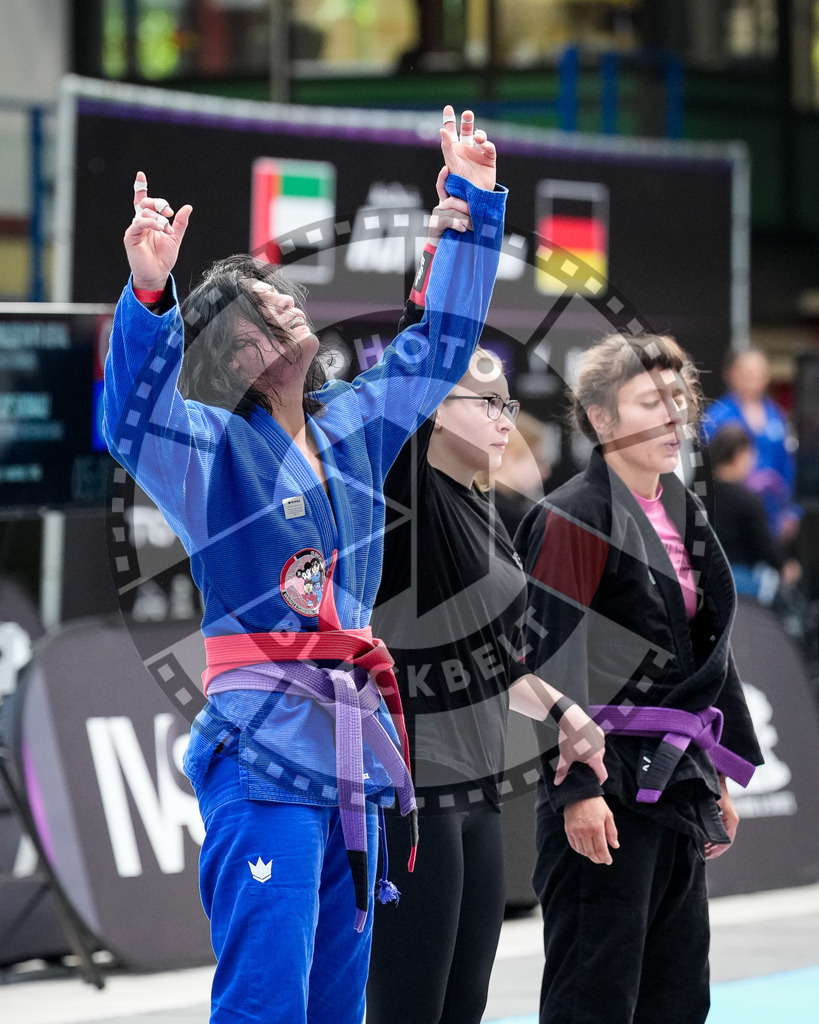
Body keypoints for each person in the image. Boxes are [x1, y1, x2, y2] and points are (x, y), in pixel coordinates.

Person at [103, 105, 505, 1024]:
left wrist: (475, 207)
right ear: (235, 351)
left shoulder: (352, 426)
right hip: (265, 743)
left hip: (354, 749)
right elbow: (135, 411)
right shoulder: (205, 450)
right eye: (269, 303)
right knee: (266, 1002)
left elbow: (439, 350)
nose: (293, 303)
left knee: (337, 1002)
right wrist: (149, 295)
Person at [366, 238, 606, 1024]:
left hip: (476, 789)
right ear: (434, 406)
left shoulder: (484, 508)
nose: (507, 419)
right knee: (411, 1006)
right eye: (486, 402)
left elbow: (497, 658)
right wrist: (450, 250)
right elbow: (414, 365)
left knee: (464, 1005)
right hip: (417, 784)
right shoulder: (409, 488)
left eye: (509, 404)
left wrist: (564, 713)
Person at [515, 332, 764, 1024]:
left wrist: (715, 771)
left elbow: (707, 650)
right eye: (649, 400)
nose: (673, 414)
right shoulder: (572, 517)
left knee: (678, 995)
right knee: (594, 996)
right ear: (599, 417)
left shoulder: (683, 510)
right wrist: (577, 791)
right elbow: (540, 663)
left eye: (678, 398)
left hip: (673, 779)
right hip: (605, 782)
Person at [702, 347, 800, 541]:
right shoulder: (716, 417)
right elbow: (706, 470)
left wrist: (792, 511)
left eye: (759, 373)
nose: (753, 379)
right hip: (732, 517)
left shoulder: (776, 415)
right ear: (730, 374)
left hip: (772, 515)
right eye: (747, 373)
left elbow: (787, 464)